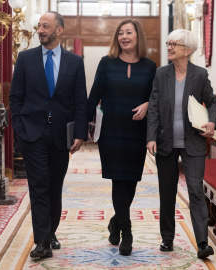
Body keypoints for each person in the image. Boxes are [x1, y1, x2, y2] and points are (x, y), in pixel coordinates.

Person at [9, 11, 87, 258]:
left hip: (60, 136)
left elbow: (80, 102)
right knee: (39, 186)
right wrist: (20, 128)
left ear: (59, 30)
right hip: (32, 134)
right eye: (39, 26)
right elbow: (15, 97)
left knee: (54, 186)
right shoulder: (25, 58)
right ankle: (41, 241)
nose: (40, 30)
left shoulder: (74, 62)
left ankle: (50, 231)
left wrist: (80, 134)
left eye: (46, 26)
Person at [147, 29, 216, 259]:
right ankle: (167, 239)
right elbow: (154, 107)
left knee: (196, 191)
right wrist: (151, 137)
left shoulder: (199, 75)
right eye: (168, 43)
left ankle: (202, 243)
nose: (169, 47)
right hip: (166, 142)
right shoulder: (161, 74)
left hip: (193, 143)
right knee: (166, 192)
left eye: (174, 44)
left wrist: (211, 122)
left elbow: (212, 102)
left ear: (187, 51)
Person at [87, 19, 157, 256]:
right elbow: (93, 95)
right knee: (119, 180)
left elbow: (155, 98)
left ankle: (115, 221)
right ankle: (127, 233)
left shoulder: (150, 66)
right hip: (111, 132)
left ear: (138, 37)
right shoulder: (106, 63)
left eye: (129, 32)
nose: (124, 36)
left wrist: (148, 103)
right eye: (120, 33)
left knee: (131, 182)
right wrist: (82, 130)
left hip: (137, 132)